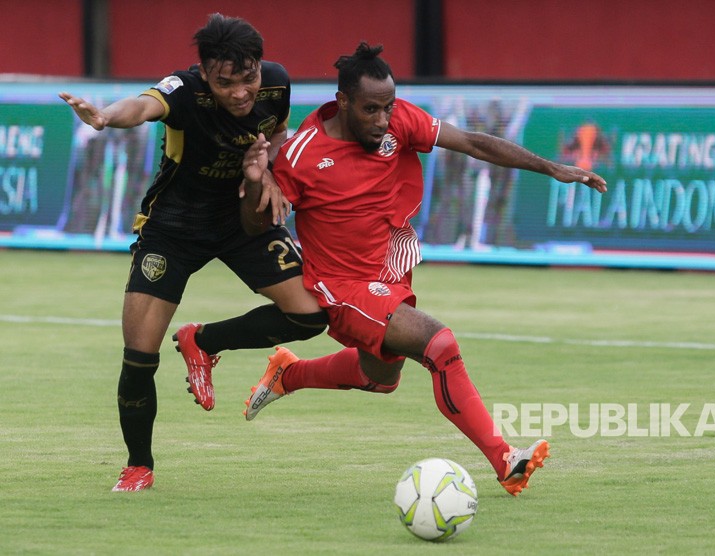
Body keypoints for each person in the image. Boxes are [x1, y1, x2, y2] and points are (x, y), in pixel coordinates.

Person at [234, 43, 607, 496]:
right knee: (440, 344)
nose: (382, 119)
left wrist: (551, 168)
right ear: (344, 100)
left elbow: (472, 142)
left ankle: (287, 374)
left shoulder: (399, 120)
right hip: (342, 285)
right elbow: (257, 224)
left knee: (380, 378)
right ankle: (506, 460)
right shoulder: (303, 154)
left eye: (388, 107)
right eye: (371, 109)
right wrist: (256, 185)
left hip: (386, 274)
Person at [59, 13, 327, 492]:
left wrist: (269, 170)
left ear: (261, 68)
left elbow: (280, 131)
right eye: (226, 83)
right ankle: (139, 464)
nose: (242, 92)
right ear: (204, 74)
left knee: (310, 316)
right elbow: (141, 107)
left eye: (249, 78)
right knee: (139, 359)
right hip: (173, 228)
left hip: (241, 221)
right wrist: (104, 118)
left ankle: (204, 341)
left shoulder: (277, 85)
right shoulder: (183, 90)